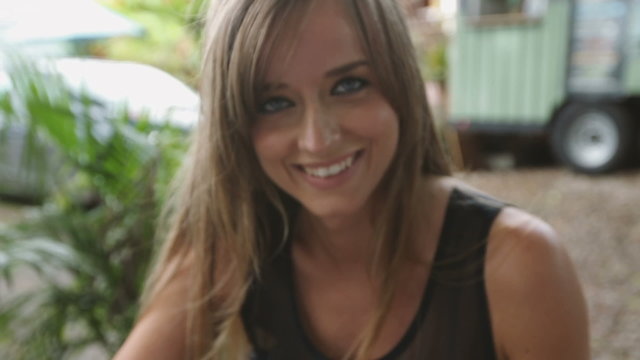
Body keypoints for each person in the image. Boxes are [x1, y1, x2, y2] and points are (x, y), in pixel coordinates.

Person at [114, 0, 590, 359]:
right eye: (275, 103)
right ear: (235, 125)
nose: (318, 140)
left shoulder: (515, 263)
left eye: (349, 85)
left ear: (398, 85)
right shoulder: (236, 247)